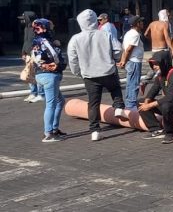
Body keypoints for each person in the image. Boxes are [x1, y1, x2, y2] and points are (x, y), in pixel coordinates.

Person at [67, 9, 128, 141]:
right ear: (95, 20)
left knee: (93, 103)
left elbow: (72, 59)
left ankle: (94, 130)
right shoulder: (105, 34)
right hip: (108, 70)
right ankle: (118, 107)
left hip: (89, 74)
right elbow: (118, 49)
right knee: (115, 88)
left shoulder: (75, 39)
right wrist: (115, 59)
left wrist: (78, 72)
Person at [139, 52, 173, 144]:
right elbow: (153, 91)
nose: (154, 67)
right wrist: (146, 102)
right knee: (140, 102)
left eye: (156, 64)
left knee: (166, 106)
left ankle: (171, 133)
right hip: (171, 104)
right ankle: (155, 129)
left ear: (164, 63)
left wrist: (149, 106)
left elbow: (170, 97)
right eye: (153, 65)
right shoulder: (160, 76)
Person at [31, 19, 66, 143]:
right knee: (51, 104)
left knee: (60, 101)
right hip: (50, 75)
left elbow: (35, 58)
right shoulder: (46, 41)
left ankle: (54, 128)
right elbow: (55, 56)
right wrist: (57, 46)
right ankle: (49, 133)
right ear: (45, 28)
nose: (52, 28)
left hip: (40, 74)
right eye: (50, 26)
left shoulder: (35, 41)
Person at [118, 16, 145, 110]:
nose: (142, 23)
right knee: (134, 83)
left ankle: (129, 102)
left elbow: (124, 49)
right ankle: (131, 105)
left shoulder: (128, 33)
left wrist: (123, 60)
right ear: (137, 24)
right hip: (134, 61)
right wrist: (124, 61)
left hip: (131, 61)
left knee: (130, 82)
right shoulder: (135, 34)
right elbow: (129, 49)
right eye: (141, 22)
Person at [19, 11, 44, 103]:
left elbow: (40, 42)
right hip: (28, 55)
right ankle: (33, 93)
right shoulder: (26, 28)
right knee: (30, 74)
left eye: (24, 19)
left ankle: (41, 94)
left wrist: (35, 53)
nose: (22, 21)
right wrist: (23, 53)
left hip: (35, 54)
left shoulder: (37, 28)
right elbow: (25, 41)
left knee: (38, 74)